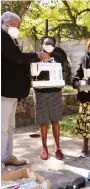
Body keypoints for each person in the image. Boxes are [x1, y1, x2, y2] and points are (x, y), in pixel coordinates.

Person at [1, 11, 49, 174]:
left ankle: (7, 156)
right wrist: (37, 55)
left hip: (11, 90)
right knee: (2, 127)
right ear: (4, 22)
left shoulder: (9, 38)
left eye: (17, 26)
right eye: (14, 25)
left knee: (10, 126)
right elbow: (17, 58)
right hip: (3, 91)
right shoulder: (1, 37)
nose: (16, 29)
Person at [33, 36, 68, 160]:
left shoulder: (58, 59)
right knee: (43, 122)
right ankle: (44, 148)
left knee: (55, 120)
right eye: (46, 43)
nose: (48, 45)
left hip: (55, 92)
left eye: (51, 43)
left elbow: (62, 74)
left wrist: (61, 82)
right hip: (40, 92)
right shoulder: (35, 58)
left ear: (54, 46)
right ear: (42, 44)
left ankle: (58, 147)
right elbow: (32, 76)